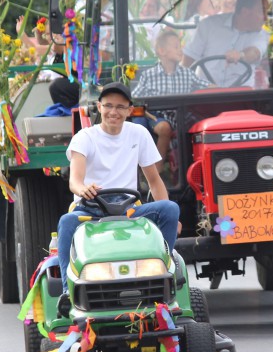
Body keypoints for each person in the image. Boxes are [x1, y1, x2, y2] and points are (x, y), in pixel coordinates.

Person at [55, 82, 180, 287]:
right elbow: (75, 181)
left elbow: (154, 180)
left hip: (128, 209)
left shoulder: (138, 133)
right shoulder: (84, 137)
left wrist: (175, 221)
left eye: (120, 107)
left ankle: (164, 275)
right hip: (90, 210)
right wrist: (83, 189)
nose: (114, 112)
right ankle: (66, 291)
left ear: (130, 110)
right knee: (67, 222)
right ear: (99, 106)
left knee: (170, 209)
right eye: (109, 106)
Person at [132, 29, 210, 160]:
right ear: (162, 51)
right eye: (176, 47)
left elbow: (206, 86)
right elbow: (135, 99)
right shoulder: (149, 75)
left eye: (181, 47)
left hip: (181, 117)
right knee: (164, 128)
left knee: (203, 124)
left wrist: (225, 88)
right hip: (158, 117)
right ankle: (157, 168)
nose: (181, 50)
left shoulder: (187, 74)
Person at [182, 0, 270, 88]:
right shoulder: (208, 25)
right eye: (262, 11)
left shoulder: (261, 35)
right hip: (206, 94)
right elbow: (189, 58)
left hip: (242, 97)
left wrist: (241, 55)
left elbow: (255, 53)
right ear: (245, 12)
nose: (266, 18)